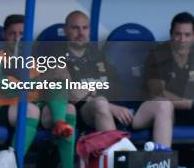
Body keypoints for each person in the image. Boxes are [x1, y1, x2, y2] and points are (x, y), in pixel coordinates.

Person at [0, 15, 77, 168]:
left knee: (69, 108)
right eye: (13, 33)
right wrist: (43, 78)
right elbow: (10, 90)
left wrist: (61, 79)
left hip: (31, 110)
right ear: (5, 35)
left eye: (22, 34)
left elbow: (45, 90)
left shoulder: (34, 63)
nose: (18, 38)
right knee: (30, 109)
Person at [63, 11, 173, 148]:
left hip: (118, 111)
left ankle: (161, 163)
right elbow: (70, 93)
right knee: (101, 103)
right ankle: (117, 164)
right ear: (65, 30)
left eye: (85, 28)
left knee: (164, 104)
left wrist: (125, 106)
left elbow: (116, 84)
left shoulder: (99, 55)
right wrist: (110, 106)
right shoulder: (58, 56)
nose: (81, 32)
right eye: (75, 28)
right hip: (87, 113)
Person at [144, 12, 193, 127]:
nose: (182, 39)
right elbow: (157, 93)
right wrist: (189, 104)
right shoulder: (158, 54)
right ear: (171, 34)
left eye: (187, 35)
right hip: (167, 110)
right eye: (178, 34)